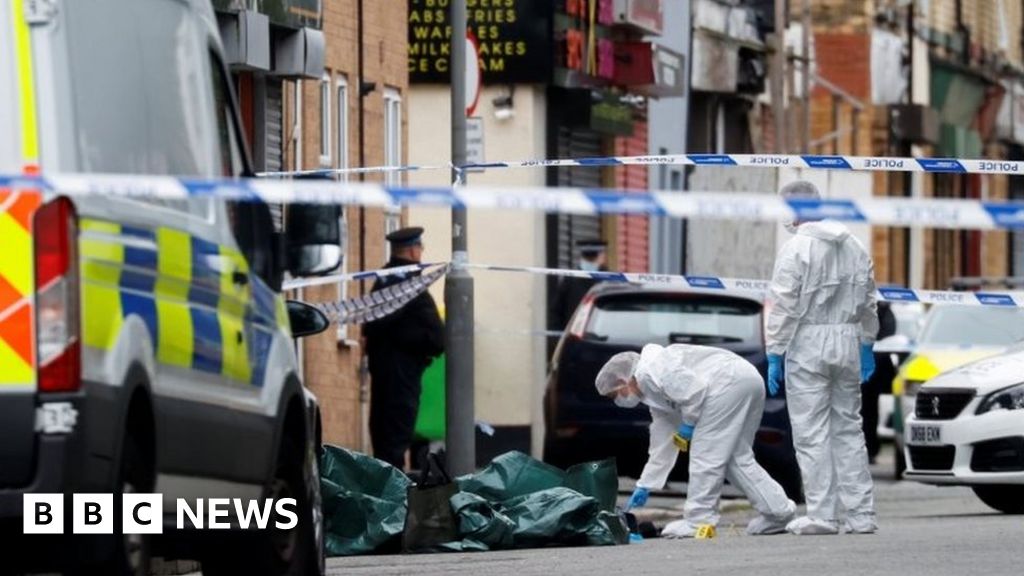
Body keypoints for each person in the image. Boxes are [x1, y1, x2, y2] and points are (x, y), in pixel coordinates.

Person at [766, 180, 880, 535]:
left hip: (809, 342)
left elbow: (784, 303)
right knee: (848, 429)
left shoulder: (796, 249)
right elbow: (869, 296)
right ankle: (861, 515)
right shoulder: (854, 244)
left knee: (811, 432)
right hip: (847, 340)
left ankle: (823, 514)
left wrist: (774, 350)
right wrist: (867, 342)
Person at [595, 344, 796, 538]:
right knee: (736, 458)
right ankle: (778, 512)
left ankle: (699, 520)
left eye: (616, 394)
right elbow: (662, 446)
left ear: (626, 379)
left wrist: (689, 423)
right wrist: (645, 484)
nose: (619, 400)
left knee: (705, 455)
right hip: (746, 379)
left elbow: (695, 391)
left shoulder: (652, 370)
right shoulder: (653, 395)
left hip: (727, 384)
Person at [363, 227, 445, 470]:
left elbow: (376, 326)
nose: (421, 252)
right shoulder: (407, 283)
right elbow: (382, 327)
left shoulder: (387, 280)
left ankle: (389, 489)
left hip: (390, 371)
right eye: (420, 247)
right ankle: (394, 497)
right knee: (395, 438)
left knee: (387, 436)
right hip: (401, 372)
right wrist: (422, 343)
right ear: (411, 249)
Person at [862, 302, 897, 463]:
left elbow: (888, 335)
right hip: (853, 362)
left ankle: (869, 449)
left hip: (872, 365)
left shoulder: (881, 307)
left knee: (868, 409)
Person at [550, 239, 608, 330]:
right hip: (577, 336)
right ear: (601, 256)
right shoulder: (570, 279)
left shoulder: (607, 278)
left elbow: (556, 312)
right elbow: (556, 311)